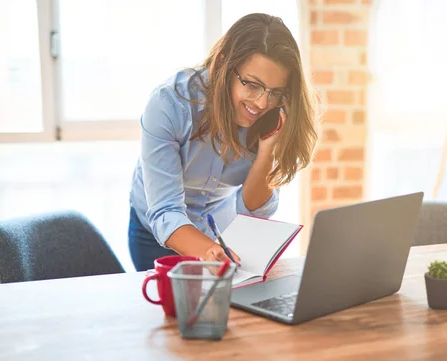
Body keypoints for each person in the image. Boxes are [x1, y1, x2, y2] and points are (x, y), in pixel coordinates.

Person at [128, 13, 318, 272]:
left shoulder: (271, 115)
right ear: (223, 64)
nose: (262, 103)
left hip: (220, 235)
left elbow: (253, 212)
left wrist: (267, 151)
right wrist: (211, 252)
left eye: (275, 92)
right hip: (157, 235)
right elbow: (165, 212)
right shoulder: (170, 104)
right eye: (252, 85)